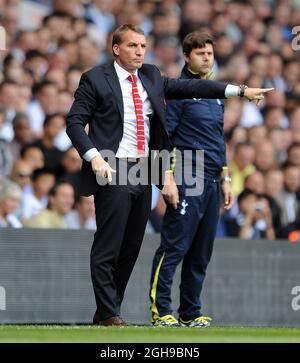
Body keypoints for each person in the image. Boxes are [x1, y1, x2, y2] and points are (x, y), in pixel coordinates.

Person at [66, 24, 272, 327]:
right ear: (116, 49)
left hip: (144, 169)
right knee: (109, 245)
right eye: (133, 46)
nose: (139, 51)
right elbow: (74, 123)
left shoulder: (150, 75)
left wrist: (239, 91)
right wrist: (94, 157)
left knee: (132, 245)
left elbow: (193, 87)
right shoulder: (96, 78)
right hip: (112, 166)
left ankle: (108, 311)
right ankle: (110, 313)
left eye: (143, 46)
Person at [149, 32, 235, 327]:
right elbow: (163, 136)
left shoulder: (215, 95)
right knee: (174, 247)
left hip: (212, 178)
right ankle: (161, 311)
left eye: (209, 53)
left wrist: (226, 177)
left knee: (201, 252)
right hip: (188, 172)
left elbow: (217, 139)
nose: (206, 57)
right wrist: (167, 178)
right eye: (200, 53)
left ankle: (190, 311)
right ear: (186, 57)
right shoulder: (179, 91)